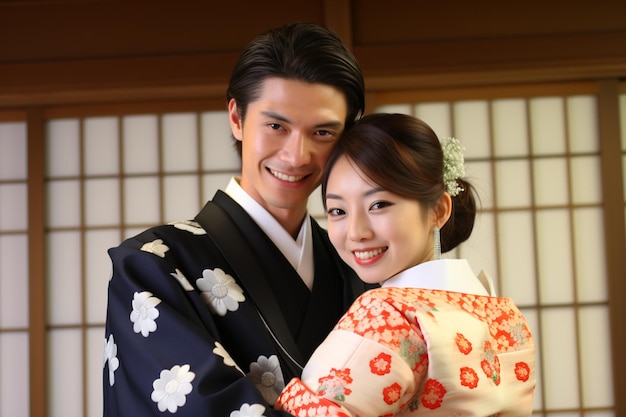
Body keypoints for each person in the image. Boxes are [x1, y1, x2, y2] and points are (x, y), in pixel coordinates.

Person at [102, 22, 375, 416]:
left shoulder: (358, 267)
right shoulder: (154, 265)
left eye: (322, 132)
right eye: (276, 126)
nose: (297, 155)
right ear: (236, 117)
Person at [275, 113, 536, 416]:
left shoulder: (387, 314)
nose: (357, 232)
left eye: (379, 205)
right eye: (337, 210)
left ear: (439, 210)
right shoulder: (503, 316)